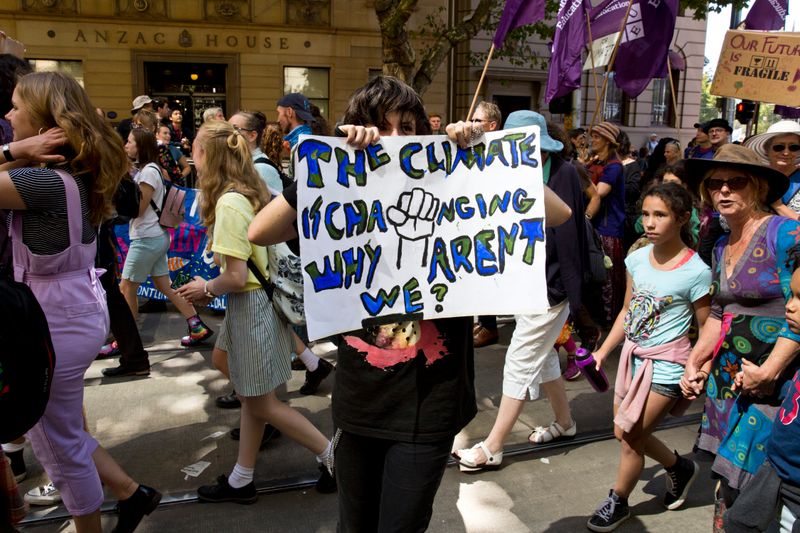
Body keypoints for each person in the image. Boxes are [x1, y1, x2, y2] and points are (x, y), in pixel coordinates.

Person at [249, 76, 572, 531]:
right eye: (380, 127)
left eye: (407, 127)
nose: (395, 139)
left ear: (424, 133)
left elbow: (559, 213)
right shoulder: (343, 187)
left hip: (429, 407)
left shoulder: (454, 177)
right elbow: (259, 232)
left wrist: (486, 155)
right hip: (359, 405)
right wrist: (332, 164)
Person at [0, 71, 161, 533]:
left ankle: (96, 521)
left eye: (15, 107)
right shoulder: (68, 173)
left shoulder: (42, 181)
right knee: (61, 432)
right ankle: (131, 494)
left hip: (53, 319)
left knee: (57, 445)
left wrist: (14, 151)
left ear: (44, 119)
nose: (8, 115)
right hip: (71, 311)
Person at [175, 120, 334, 503]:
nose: (190, 160)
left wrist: (204, 288)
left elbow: (235, 275)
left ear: (206, 156)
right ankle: (242, 478)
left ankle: (333, 455)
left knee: (260, 401)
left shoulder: (229, 202)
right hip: (251, 307)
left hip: (250, 308)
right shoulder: (244, 194)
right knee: (235, 375)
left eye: (194, 150)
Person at [452, 111, 585, 471]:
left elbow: (569, 238)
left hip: (549, 286)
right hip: (520, 282)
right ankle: (566, 422)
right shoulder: (502, 169)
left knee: (521, 357)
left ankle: (493, 445)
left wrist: (567, 294)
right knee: (540, 358)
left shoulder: (563, 173)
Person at [680, 144, 800, 528]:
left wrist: (770, 372)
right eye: (715, 184)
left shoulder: (786, 233)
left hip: (776, 383)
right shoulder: (719, 244)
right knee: (726, 482)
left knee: (760, 485)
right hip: (727, 381)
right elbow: (719, 311)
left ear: (759, 188)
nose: (724, 191)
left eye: (736, 182)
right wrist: (696, 360)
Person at [587, 182, 711, 531]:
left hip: (668, 365)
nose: (650, 223)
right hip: (633, 359)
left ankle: (619, 501)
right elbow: (628, 311)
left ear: (683, 218)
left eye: (660, 215)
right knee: (622, 432)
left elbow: (707, 329)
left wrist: (698, 371)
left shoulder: (697, 271)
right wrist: (603, 351)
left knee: (630, 438)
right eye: (645, 215)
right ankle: (679, 466)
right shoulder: (637, 258)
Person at [723, 245, 800, 531]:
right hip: (776, 470)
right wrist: (771, 390)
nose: (790, 305)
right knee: (738, 523)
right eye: (791, 294)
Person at [119, 128, 213, 347]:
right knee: (165, 285)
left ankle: (127, 341)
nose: (126, 145)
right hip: (153, 237)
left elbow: (139, 208)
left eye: (130, 141)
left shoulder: (149, 171)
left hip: (146, 238)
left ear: (140, 146)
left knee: (126, 288)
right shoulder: (147, 170)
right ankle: (196, 326)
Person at [469, 100, 503, 348]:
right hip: (476, 222)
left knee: (487, 275)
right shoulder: (473, 146)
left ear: (492, 125)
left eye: (477, 120)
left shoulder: (502, 150)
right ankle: (484, 320)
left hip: (494, 226)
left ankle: (490, 327)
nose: (472, 124)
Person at [586, 121, 626, 325]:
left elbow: (599, 192)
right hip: (595, 226)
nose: (592, 139)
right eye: (592, 135)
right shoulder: (596, 163)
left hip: (609, 228)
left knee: (607, 277)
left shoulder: (614, 167)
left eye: (597, 137)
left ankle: (608, 319)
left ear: (609, 141)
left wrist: (580, 173)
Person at [744, 120, 800, 219]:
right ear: (767, 149)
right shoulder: (755, 178)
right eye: (779, 147)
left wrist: (778, 206)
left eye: (794, 147)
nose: (786, 152)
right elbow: (725, 222)